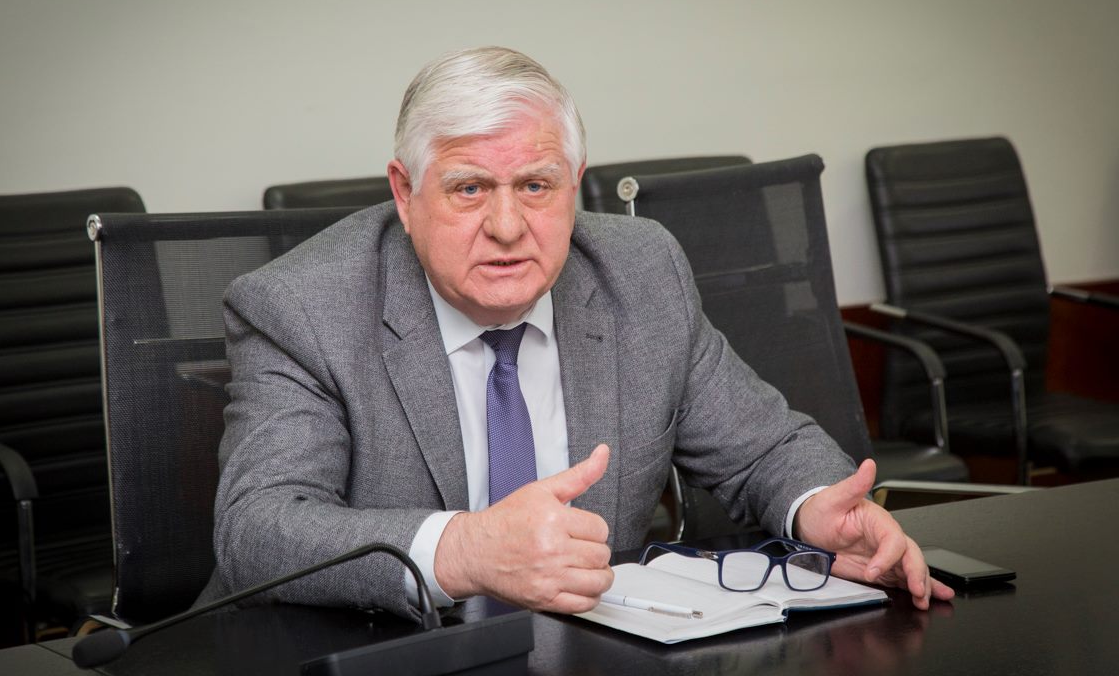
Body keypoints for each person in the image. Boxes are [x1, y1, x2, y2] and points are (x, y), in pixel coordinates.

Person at [197, 46, 953, 619]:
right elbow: (259, 529)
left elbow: (762, 446)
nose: (506, 226)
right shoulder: (302, 307)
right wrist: (464, 551)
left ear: (575, 180)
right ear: (405, 191)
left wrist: (816, 507)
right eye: (469, 188)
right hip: (373, 653)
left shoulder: (640, 271)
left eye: (536, 185)